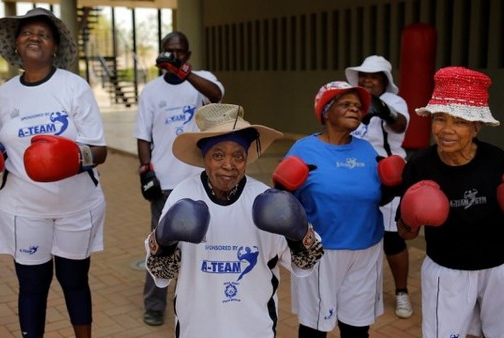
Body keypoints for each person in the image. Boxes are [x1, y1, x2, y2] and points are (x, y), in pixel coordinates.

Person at [0, 8, 107, 338]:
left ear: (54, 47)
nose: (35, 37)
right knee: (32, 286)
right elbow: (7, 140)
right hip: (23, 206)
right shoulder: (6, 93)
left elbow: (99, 150)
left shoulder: (74, 87)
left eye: (44, 33)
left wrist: (70, 158)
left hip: (76, 204)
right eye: (27, 32)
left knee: (74, 281)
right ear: (16, 44)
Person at [143, 103, 324, 338]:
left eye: (238, 155)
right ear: (204, 157)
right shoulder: (182, 195)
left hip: (254, 330)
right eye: (218, 155)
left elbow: (306, 263)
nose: (229, 165)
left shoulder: (264, 199)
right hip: (196, 330)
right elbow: (162, 272)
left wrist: (301, 232)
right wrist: (163, 240)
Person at [397, 66, 504, 337]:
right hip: (447, 267)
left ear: (476, 127)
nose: (447, 130)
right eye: (440, 118)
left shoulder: (497, 160)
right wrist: (409, 216)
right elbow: (405, 233)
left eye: (460, 121)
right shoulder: (419, 166)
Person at [275, 81, 404, 337]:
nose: (355, 109)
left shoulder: (367, 150)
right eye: (346, 104)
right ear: (326, 111)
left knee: (356, 328)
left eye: (358, 106)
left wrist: (393, 185)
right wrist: (283, 187)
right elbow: (283, 206)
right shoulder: (303, 149)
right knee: (314, 328)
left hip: (366, 250)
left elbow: (376, 199)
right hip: (319, 250)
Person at [133, 31, 224, 326]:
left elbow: (217, 96)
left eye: (180, 52)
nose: (175, 56)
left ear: (188, 54)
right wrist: (146, 169)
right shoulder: (151, 91)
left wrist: (185, 73)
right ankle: (154, 305)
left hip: (200, 178)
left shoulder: (199, 81)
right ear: (161, 53)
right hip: (165, 182)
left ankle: (200, 302)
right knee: (161, 244)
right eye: (170, 51)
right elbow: (142, 135)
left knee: (203, 243)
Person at [345, 55, 413, 318]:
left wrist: (383, 109)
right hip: (355, 175)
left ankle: (402, 292)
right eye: (364, 75)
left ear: (385, 79)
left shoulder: (395, 102)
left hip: (388, 176)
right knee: (361, 234)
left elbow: (400, 125)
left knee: (392, 239)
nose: (367, 80)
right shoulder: (352, 100)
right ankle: (365, 290)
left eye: (373, 76)